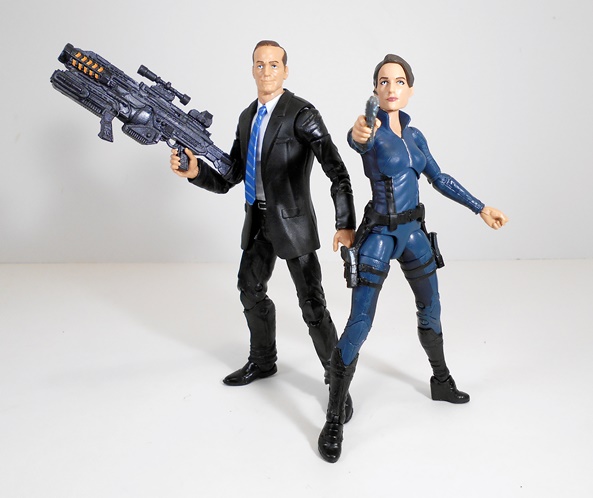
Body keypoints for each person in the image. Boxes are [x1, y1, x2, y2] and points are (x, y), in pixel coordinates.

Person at [317, 54, 508, 463]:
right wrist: (360, 129)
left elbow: (439, 178)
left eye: (399, 81)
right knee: (360, 322)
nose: (391, 88)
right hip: (380, 235)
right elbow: (357, 137)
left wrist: (480, 207)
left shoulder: (416, 136)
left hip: (414, 233)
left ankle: (441, 380)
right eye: (384, 81)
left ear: (410, 90)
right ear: (375, 90)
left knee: (431, 308)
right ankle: (334, 416)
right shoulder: (371, 130)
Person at [170, 40, 356, 417]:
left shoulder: (302, 113)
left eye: (273, 65)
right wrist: (195, 172)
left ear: (285, 70)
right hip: (258, 220)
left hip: (293, 223)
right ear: (252, 69)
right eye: (259, 64)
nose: (266, 71)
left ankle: (337, 382)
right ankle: (263, 359)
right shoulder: (247, 117)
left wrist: (345, 223)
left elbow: (337, 171)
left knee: (313, 306)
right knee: (249, 288)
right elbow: (231, 175)